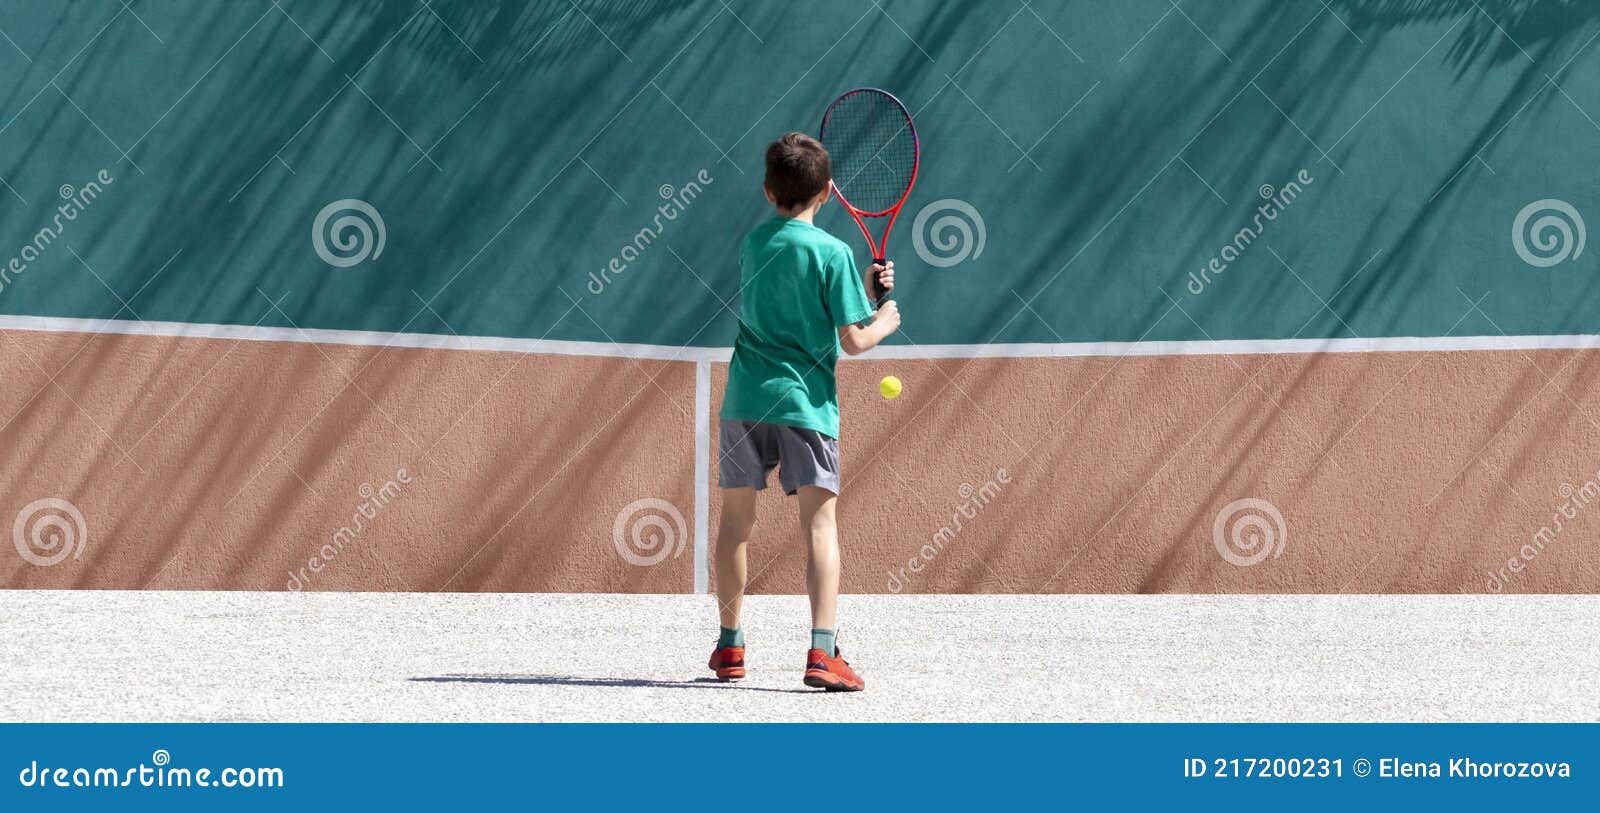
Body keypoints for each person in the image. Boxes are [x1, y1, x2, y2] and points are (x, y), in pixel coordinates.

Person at [708, 132, 900, 692]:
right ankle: (821, 654)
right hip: (806, 406)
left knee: (734, 527)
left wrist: (860, 291)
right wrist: (882, 318)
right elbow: (853, 341)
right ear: (829, 193)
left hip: (745, 400)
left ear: (768, 190)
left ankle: (729, 647)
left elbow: (790, 302)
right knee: (819, 525)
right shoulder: (834, 252)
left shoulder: (752, 245)